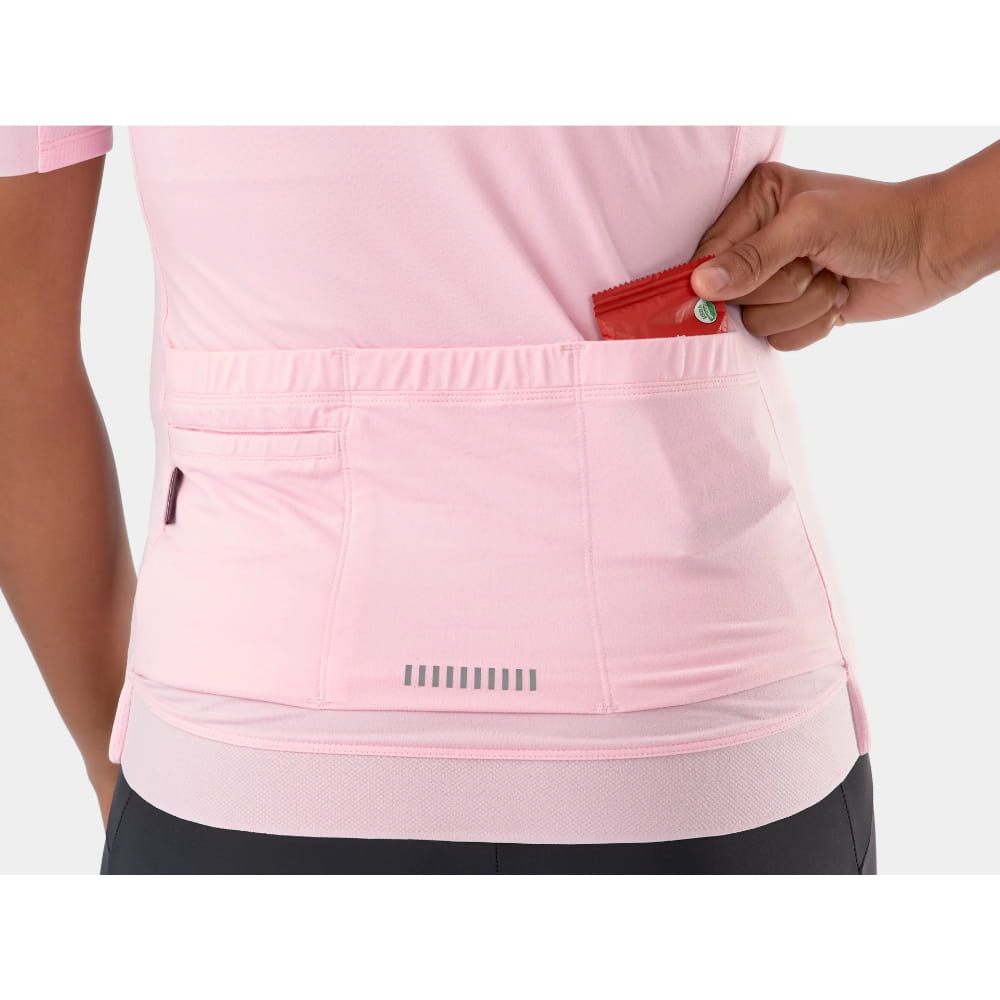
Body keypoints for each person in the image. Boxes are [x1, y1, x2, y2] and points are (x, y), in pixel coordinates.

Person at [1, 127, 993, 875]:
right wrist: (936, 229)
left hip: (247, 746)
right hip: (697, 746)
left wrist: (126, 756)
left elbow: (16, 358)